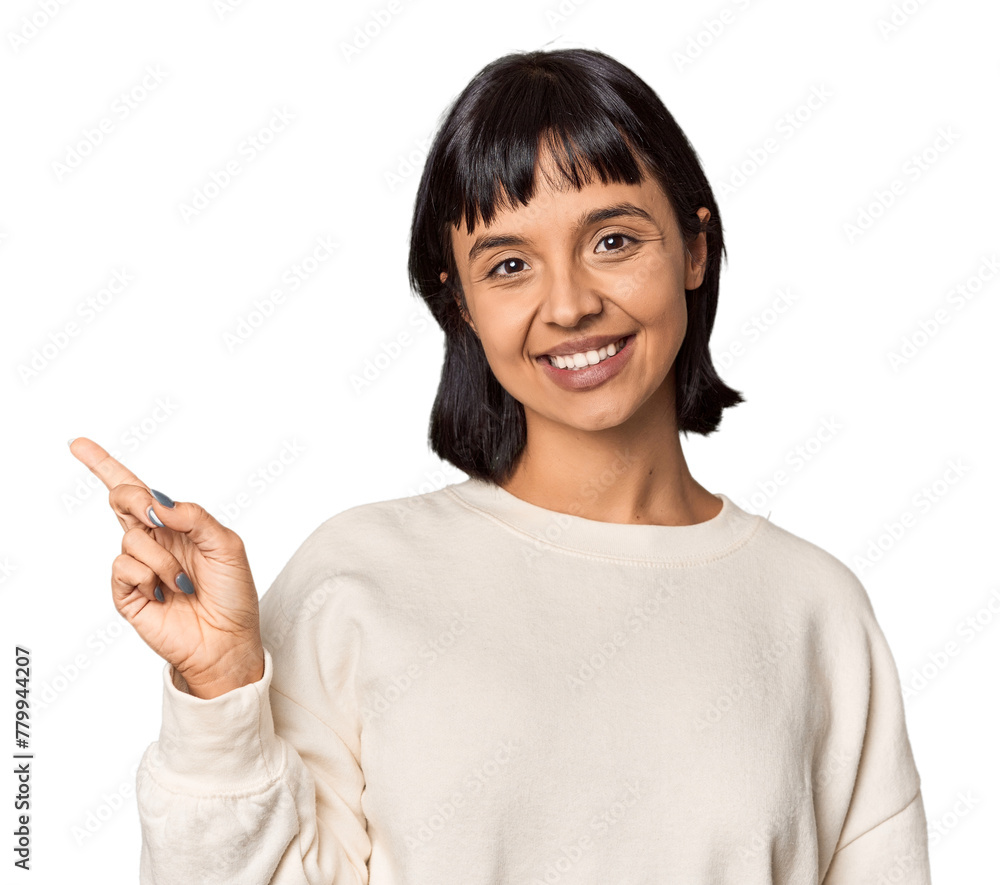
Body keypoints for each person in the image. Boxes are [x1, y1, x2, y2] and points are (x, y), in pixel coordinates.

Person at [69, 47, 931, 884]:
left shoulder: (816, 609)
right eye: (510, 264)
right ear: (461, 301)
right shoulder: (358, 578)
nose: (569, 303)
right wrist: (219, 684)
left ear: (695, 248)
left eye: (615, 240)